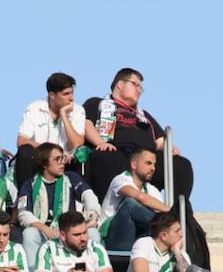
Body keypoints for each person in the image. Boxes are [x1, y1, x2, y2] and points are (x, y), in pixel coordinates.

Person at [82, 67, 194, 210]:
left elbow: (160, 140)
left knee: (181, 165)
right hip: (115, 151)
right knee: (107, 156)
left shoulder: (143, 115)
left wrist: (169, 148)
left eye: (141, 88)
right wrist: (100, 142)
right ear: (120, 84)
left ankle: (179, 213)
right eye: (135, 85)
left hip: (144, 158)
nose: (139, 90)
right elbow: (86, 124)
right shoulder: (97, 104)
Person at [17, 144, 100, 272]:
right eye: (57, 159)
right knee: (29, 234)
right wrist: (46, 229)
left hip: (69, 231)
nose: (62, 163)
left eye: (62, 158)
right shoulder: (30, 184)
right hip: (44, 233)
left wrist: (93, 214)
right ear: (44, 164)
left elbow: (88, 195)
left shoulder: (70, 177)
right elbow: (23, 214)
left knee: (93, 233)